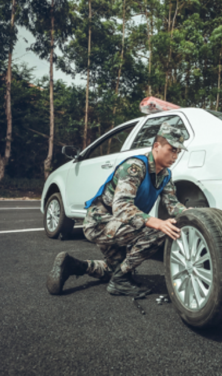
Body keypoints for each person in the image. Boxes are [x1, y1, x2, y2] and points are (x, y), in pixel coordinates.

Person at [46, 122, 189, 298]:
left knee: (112, 270)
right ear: (157, 146)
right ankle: (121, 279)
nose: (175, 156)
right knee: (162, 230)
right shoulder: (135, 167)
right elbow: (121, 207)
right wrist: (157, 223)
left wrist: (192, 215)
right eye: (172, 149)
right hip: (100, 222)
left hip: (120, 224)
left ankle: (72, 265)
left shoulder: (165, 175)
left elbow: (173, 204)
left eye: (178, 152)